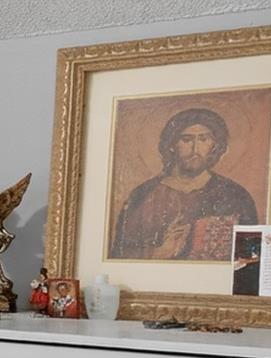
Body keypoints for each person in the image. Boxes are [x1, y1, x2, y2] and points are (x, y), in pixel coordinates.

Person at [109, 107, 261, 261]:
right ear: (171, 145)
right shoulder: (143, 195)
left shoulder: (235, 195)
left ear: (215, 146)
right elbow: (119, 255)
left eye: (204, 139)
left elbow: (250, 260)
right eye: (186, 140)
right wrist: (158, 253)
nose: (195, 149)